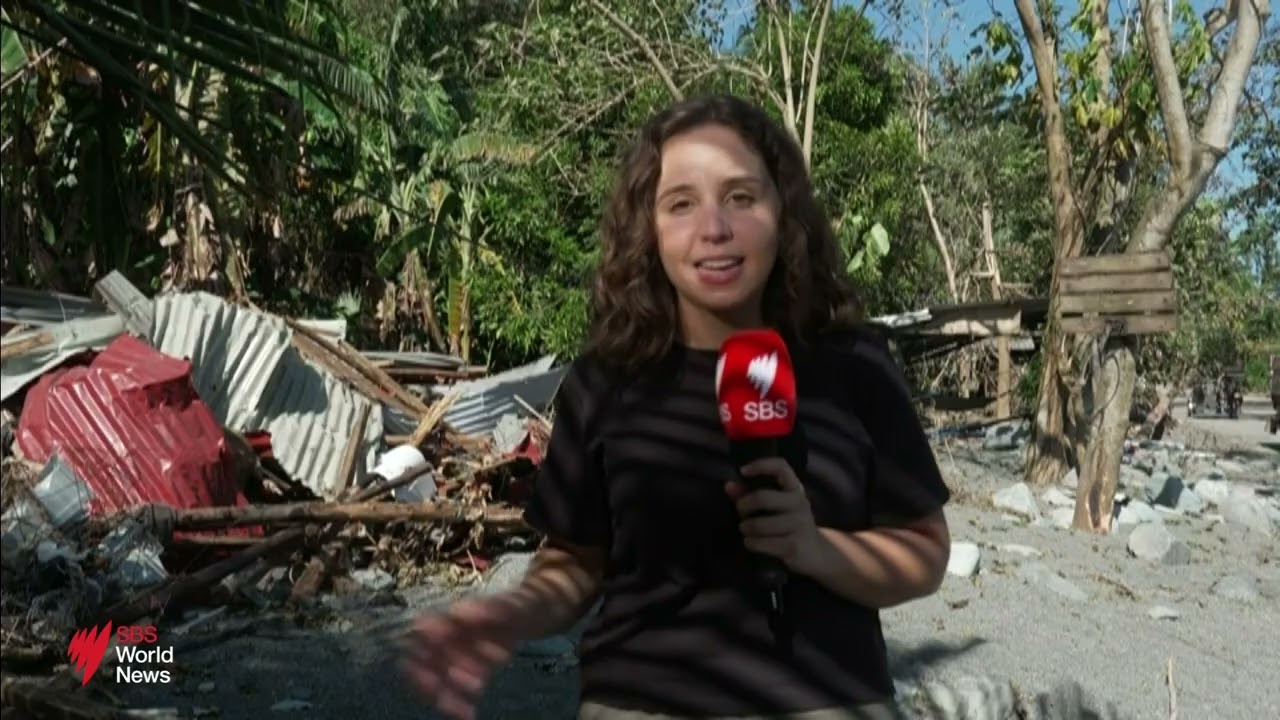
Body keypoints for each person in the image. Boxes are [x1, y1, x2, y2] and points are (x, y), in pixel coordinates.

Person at [402, 94, 953, 720]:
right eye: (681, 203)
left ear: (784, 211)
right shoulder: (606, 381)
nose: (713, 229)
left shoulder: (853, 365)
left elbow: (925, 551)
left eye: (741, 197)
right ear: (649, 229)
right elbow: (574, 563)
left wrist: (814, 548)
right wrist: (506, 616)